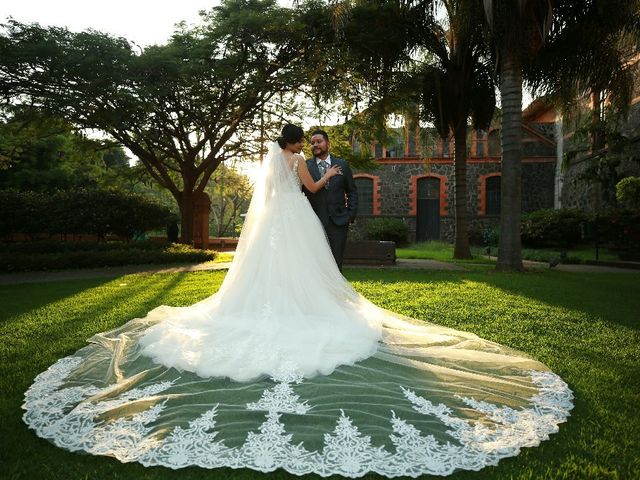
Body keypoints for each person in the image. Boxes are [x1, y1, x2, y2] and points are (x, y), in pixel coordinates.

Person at [22, 123, 573, 478]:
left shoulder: (272, 166)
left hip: (275, 231)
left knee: (269, 276)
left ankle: (270, 311)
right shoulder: (300, 164)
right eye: (301, 145)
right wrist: (329, 172)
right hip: (299, 223)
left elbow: (292, 195)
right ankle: (305, 313)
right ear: (293, 147)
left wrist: (332, 178)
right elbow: (311, 190)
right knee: (310, 276)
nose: (305, 151)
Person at [302, 129, 358, 270]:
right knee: (315, 263)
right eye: (312, 142)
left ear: (328, 143)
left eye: (319, 141)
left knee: (336, 262)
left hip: (338, 222)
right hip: (314, 222)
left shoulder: (342, 165)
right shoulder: (305, 166)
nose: (315, 145)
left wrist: (350, 215)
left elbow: (352, 191)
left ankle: (335, 292)